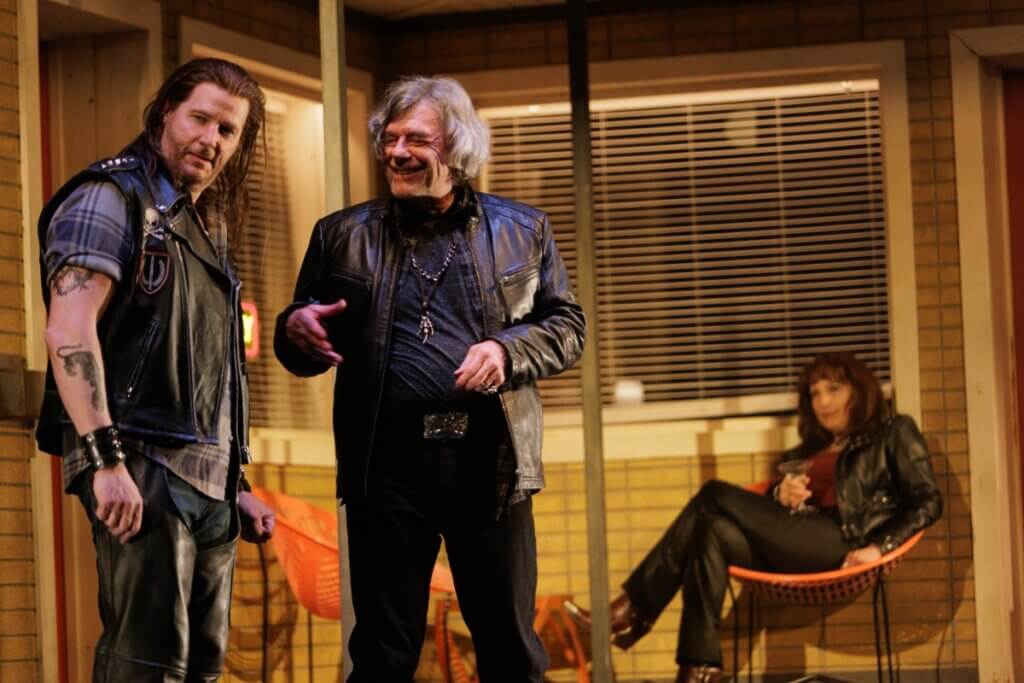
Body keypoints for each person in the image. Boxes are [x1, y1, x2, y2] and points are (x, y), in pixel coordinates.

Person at [273, 75, 586, 681]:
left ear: (458, 146)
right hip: (386, 469)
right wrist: (292, 328)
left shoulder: (523, 230)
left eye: (416, 139)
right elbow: (304, 343)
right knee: (383, 654)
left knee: (510, 650)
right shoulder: (341, 236)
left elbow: (567, 327)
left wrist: (507, 350)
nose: (397, 153)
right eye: (389, 139)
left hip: (490, 464)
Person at [36, 58, 276, 682]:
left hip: (210, 480)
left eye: (227, 130)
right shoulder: (110, 197)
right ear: (165, 112)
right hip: (141, 460)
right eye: (200, 118)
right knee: (148, 664)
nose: (211, 139)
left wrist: (236, 482)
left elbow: (208, 365)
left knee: (202, 668)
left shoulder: (202, 223)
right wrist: (105, 460)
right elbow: (69, 330)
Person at [567, 352, 942, 683]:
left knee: (713, 495)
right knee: (710, 531)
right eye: (814, 393)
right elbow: (778, 514)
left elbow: (927, 500)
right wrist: (781, 494)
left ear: (859, 390)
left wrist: (879, 547)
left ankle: (634, 608)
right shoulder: (806, 451)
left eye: (833, 389)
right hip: (802, 538)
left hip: (845, 541)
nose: (823, 401)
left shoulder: (892, 432)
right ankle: (699, 669)